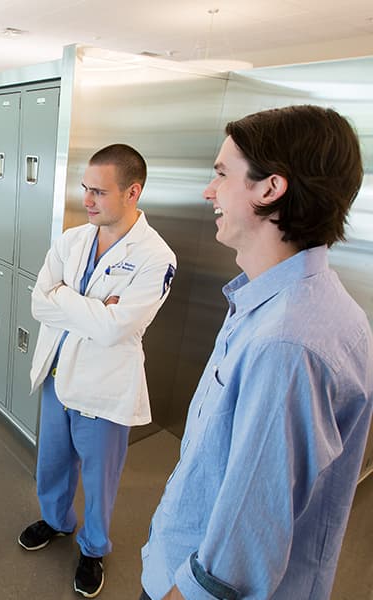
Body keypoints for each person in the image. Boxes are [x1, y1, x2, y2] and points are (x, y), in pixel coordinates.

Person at [140, 105, 373, 600]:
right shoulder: (281, 303)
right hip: (178, 556)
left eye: (223, 174)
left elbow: (242, 546)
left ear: (270, 188)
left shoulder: (289, 343)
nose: (209, 191)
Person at [19, 144, 176, 598]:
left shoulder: (156, 257)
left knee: (99, 476)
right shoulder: (72, 239)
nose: (87, 199)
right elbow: (36, 302)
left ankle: (93, 548)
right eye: (85, 188)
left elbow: (114, 329)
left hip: (103, 386)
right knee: (51, 462)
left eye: (99, 192)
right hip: (56, 374)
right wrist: (89, 307)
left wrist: (64, 297)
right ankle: (56, 520)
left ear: (132, 192)